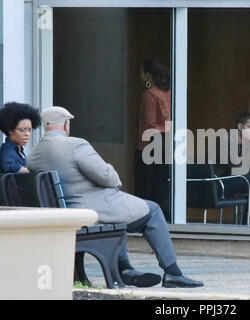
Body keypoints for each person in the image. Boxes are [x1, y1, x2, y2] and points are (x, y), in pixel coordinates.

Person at [27, 106, 203, 288]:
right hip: (92, 210)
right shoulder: (74, 145)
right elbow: (108, 177)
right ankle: (173, 272)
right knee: (152, 211)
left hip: (66, 213)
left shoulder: (34, 155)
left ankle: (124, 268)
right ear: (65, 124)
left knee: (122, 211)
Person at [213, 112, 250, 225]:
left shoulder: (240, 145)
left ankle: (249, 223)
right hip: (214, 185)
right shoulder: (226, 141)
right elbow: (237, 168)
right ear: (240, 126)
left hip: (225, 181)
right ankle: (249, 225)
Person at [135, 58, 171, 222]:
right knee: (162, 182)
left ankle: (145, 218)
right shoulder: (168, 91)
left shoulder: (150, 93)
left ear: (148, 74)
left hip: (152, 141)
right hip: (168, 140)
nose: (140, 76)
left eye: (142, 72)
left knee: (145, 183)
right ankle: (162, 218)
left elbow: (149, 123)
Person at [0, 102, 41, 173]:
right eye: (22, 130)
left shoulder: (19, 150)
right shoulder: (7, 152)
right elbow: (9, 167)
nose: (27, 134)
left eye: (29, 130)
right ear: (10, 130)